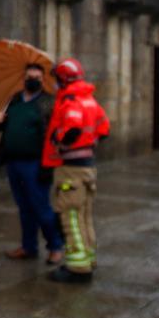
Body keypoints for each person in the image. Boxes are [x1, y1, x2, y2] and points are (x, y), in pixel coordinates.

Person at [42, 58, 110, 284]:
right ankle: (87, 259)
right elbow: (104, 127)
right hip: (88, 167)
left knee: (70, 215)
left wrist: (57, 139)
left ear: (63, 79)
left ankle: (77, 269)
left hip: (71, 169)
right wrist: (90, 142)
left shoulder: (70, 101)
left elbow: (72, 128)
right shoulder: (89, 99)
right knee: (85, 215)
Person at [0, 64, 64, 265]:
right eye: (30, 76)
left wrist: (48, 164)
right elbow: (3, 124)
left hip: (36, 164)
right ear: (23, 78)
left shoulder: (47, 103)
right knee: (24, 207)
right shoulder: (14, 100)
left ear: (43, 80)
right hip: (14, 162)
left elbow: (53, 134)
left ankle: (55, 247)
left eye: (37, 77)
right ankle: (28, 246)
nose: (33, 80)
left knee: (41, 207)